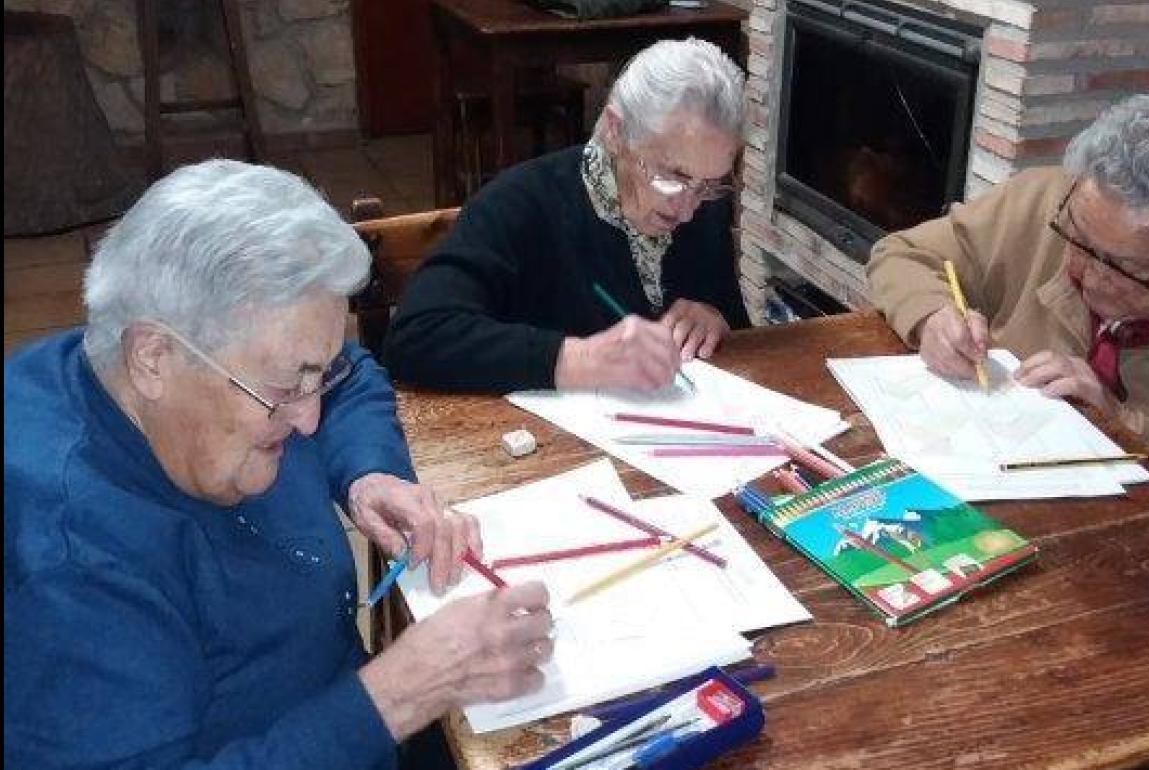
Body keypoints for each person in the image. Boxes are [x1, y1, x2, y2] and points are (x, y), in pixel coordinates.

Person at [4, 160, 554, 768]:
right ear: (153, 358)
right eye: (286, 388)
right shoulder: (74, 573)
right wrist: (397, 695)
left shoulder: (140, 363)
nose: (309, 420)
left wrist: (368, 472)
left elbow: (348, 377)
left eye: (314, 375)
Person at [868, 87, 1149, 502]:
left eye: (1125, 267)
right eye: (1078, 237)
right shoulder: (1045, 200)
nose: (1087, 275)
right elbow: (901, 254)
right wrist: (932, 316)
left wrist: (1123, 420)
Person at [384, 37, 750, 392]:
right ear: (615, 131)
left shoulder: (702, 204)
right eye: (673, 177)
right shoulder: (521, 204)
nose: (688, 211)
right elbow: (416, 336)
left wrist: (715, 318)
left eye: (709, 184)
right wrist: (578, 359)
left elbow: (740, 334)